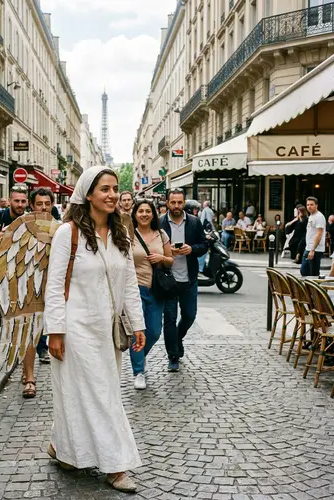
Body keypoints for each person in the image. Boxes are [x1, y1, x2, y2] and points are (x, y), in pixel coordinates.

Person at [44, 166, 146, 492]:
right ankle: (116, 467)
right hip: (76, 330)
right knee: (101, 397)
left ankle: (64, 447)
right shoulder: (67, 233)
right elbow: (54, 285)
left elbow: (130, 284)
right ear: (88, 194)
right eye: (105, 189)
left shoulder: (122, 235)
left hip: (108, 332)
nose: (113, 195)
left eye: (115, 188)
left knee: (91, 393)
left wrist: (138, 324)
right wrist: (55, 331)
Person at [161, 189, 208, 372]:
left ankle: (177, 338)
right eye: (173, 202)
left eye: (180, 202)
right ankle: (173, 355)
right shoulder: (160, 223)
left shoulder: (194, 222)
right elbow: (152, 247)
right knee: (169, 319)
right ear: (167, 203)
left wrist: (192, 249)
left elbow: (204, 245)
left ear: (184, 203)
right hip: (168, 279)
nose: (176, 206)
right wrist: (167, 252)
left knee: (189, 315)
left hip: (189, 278)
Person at [130, 199, 173, 390]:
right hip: (134, 288)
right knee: (138, 330)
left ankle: (139, 356)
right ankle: (139, 371)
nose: (145, 214)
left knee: (154, 331)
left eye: (148, 211)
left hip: (156, 289)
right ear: (135, 214)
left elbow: (171, 260)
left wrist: (162, 258)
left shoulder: (161, 234)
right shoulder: (128, 234)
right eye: (141, 211)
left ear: (153, 214)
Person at [21, 188, 55, 399]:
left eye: (47, 203)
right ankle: (31, 378)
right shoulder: (23, 228)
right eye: (39, 203)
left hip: (54, 287)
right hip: (30, 286)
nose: (43, 207)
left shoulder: (59, 229)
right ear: (32, 205)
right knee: (30, 333)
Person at [0, 184, 28, 255]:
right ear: (9, 201)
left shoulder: (29, 219)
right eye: (16, 201)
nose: (20, 205)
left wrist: (3, 235)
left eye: (23, 201)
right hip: (0, 263)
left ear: (27, 202)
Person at [300, 196, 326, 277]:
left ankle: (318, 289)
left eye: (311, 205)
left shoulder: (319, 216)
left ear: (316, 205)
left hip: (315, 249)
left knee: (312, 274)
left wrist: (312, 250)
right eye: (308, 205)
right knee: (305, 272)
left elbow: (319, 234)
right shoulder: (311, 216)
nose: (309, 207)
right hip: (309, 247)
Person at [198, 201, 214, 276]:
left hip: (205, 229)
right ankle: (199, 269)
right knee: (203, 250)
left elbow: (202, 221)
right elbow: (211, 221)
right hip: (208, 229)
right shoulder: (210, 210)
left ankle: (201, 268)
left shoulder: (204, 210)